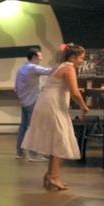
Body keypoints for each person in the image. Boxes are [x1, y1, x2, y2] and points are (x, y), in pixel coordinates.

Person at [21, 44, 90, 190]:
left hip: (48, 103)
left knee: (56, 140)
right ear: (73, 57)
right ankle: (54, 177)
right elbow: (74, 91)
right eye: (82, 58)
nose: (82, 61)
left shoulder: (59, 66)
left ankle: (50, 174)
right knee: (61, 139)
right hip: (54, 106)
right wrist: (83, 106)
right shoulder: (69, 68)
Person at [14, 48, 52, 161]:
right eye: (40, 56)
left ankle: (20, 153)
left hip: (24, 101)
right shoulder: (33, 68)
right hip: (32, 100)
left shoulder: (21, 69)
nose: (41, 58)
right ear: (34, 57)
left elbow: (16, 87)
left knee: (23, 127)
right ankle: (33, 154)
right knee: (33, 127)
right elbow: (50, 71)